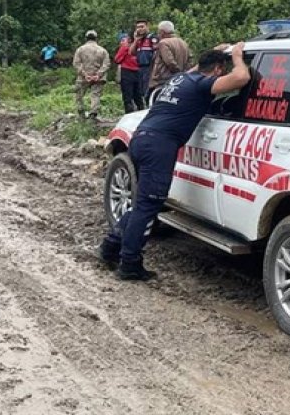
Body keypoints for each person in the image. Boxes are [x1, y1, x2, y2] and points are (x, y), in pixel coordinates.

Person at [99, 42, 251, 281]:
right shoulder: (203, 84)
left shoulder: (181, 79)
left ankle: (111, 246)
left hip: (141, 139)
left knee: (143, 204)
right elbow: (241, 78)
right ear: (219, 69)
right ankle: (129, 263)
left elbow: (193, 70)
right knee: (149, 205)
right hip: (159, 146)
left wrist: (216, 50)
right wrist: (239, 57)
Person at [147, 20, 191, 96]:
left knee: (152, 99)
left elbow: (169, 62)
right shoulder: (183, 42)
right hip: (181, 79)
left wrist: (178, 72)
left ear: (162, 32)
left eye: (158, 32)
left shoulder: (163, 43)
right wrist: (183, 74)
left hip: (164, 80)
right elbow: (190, 59)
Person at [72, 30, 110, 119]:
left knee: (79, 95)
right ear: (96, 38)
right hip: (98, 78)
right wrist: (98, 75)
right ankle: (93, 114)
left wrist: (85, 74)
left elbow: (76, 63)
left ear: (86, 38)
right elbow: (106, 64)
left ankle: (81, 113)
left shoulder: (80, 49)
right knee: (95, 95)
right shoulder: (102, 50)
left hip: (83, 78)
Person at [128, 19, 158, 107]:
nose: (139, 29)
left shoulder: (152, 38)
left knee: (148, 91)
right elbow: (131, 52)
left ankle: (151, 108)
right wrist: (135, 40)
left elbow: (157, 54)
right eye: (137, 27)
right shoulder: (139, 40)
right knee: (141, 92)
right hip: (140, 68)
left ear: (147, 27)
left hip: (150, 68)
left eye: (142, 27)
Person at [115, 31, 144, 113]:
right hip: (138, 72)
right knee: (138, 95)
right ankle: (141, 111)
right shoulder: (139, 46)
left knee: (127, 96)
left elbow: (117, 59)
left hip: (127, 72)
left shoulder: (125, 47)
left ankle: (129, 113)